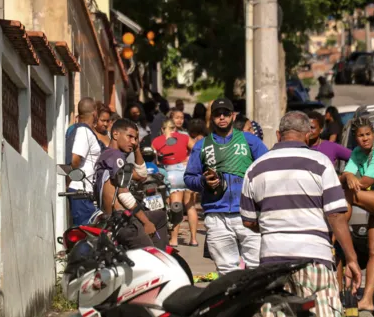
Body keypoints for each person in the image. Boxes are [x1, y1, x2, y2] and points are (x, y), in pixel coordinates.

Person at [241, 111, 361, 317]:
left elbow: (248, 221)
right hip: (313, 257)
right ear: (307, 135)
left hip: (272, 262)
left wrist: (274, 226)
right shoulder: (321, 163)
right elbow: (336, 216)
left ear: (279, 135)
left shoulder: (255, 169)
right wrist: (351, 259)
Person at [184, 98, 268, 274]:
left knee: (257, 268)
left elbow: (268, 168)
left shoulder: (250, 141)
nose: (221, 117)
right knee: (226, 271)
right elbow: (189, 178)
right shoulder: (202, 146)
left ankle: (255, 302)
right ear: (212, 118)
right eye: (217, 114)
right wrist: (203, 182)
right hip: (216, 216)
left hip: (248, 214)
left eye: (226, 113)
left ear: (233, 115)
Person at [94, 119, 168, 250]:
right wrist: (146, 222)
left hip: (114, 218)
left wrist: (137, 149)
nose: (133, 141)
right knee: (151, 260)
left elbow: (141, 175)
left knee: (161, 216)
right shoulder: (115, 156)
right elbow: (124, 195)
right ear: (115, 135)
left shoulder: (107, 155)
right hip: (123, 221)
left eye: (135, 138)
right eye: (129, 137)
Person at [339, 117, 374, 313]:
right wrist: (348, 175)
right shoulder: (357, 153)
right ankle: (367, 299)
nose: (365, 139)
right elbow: (346, 177)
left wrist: (348, 177)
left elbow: (365, 181)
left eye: (368, 134)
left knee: (349, 194)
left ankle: (337, 236)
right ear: (355, 138)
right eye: (361, 135)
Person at [152, 119, 197, 247]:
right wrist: (189, 160)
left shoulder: (157, 141)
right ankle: (193, 239)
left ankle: (174, 239)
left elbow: (152, 158)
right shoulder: (184, 137)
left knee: (175, 207)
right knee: (190, 206)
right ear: (174, 129)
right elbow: (198, 149)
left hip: (171, 174)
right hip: (186, 172)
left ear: (162, 129)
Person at [66, 97, 102, 225]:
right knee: (85, 232)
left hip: (82, 192)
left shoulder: (78, 130)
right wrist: (68, 181)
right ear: (94, 113)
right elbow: (75, 160)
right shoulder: (83, 132)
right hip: (80, 191)